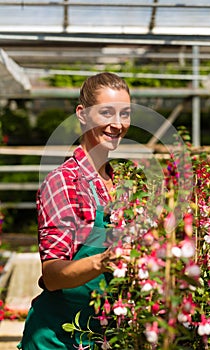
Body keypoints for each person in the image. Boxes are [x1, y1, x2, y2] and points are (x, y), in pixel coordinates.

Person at [18, 72, 131, 350]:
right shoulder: (64, 181)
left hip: (104, 337)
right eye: (106, 113)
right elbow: (53, 275)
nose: (117, 124)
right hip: (58, 339)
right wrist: (103, 261)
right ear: (82, 114)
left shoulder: (125, 183)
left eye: (125, 114)